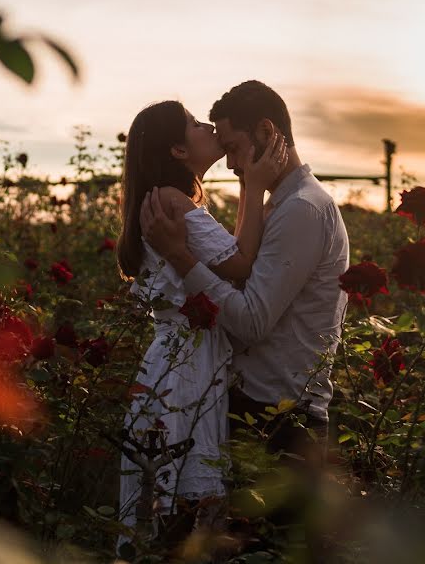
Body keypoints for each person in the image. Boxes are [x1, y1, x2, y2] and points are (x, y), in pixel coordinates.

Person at [140, 80, 350, 469]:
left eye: (234, 148)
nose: (231, 164)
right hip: (259, 411)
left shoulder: (303, 209)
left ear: (267, 132)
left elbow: (252, 321)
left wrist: (180, 258)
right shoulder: (277, 207)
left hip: (283, 420)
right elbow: (239, 263)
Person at [115, 99, 287, 552]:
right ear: (176, 150)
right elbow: (242, 263)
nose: (206, 125)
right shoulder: (173, 199)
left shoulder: (167, 198)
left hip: (172, 360)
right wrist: (254, 186)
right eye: (193, 123)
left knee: (166, 494)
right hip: (188, 367)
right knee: (185, 500)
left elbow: (222, 254)